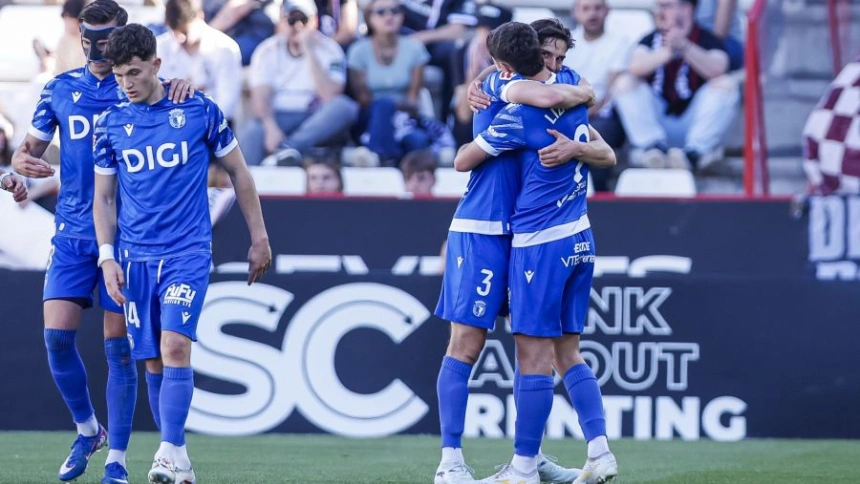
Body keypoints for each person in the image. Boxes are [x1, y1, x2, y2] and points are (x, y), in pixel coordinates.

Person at [10, 2, 193, 483]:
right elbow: (26, 153)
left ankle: (118, 460)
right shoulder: (60, 88)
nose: (97, 48)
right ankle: (88, 429)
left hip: (127, 234)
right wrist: (18, 168)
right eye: (89, 38)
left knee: (120, 349)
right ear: (80, 36)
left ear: (122, 36)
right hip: (73, 231)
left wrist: (185, 86)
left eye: (106, 38)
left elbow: (182, 111)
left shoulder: (142, 85)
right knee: (56, 338)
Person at [433, 21, 612, 484]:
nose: (553, 65)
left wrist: (575, 139)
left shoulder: (556, 88)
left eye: (560, 58)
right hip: (483, 228)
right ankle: (450, 462)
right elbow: (462, 160)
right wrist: (581, 92)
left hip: (528, 236)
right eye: (546, 56)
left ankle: (528, 459)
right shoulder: (505, 89)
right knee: (466, 343)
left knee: (535, 350)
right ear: (525, 57)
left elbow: (604, 150)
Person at [93, 23, 271, 484]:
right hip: (134, 257)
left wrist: (259, 237)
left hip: (187, 251)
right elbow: (104, 198)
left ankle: (168, 453)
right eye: (119, 75)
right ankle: (179, 459)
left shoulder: (197, 109)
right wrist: (107, 256)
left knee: (175, 344)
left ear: (157, 64)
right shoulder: (109, 124)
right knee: (153, 359)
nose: (127, 83)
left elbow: (239, 173)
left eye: (135, 72)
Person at [612, 0, 738, 170]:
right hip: (659, 122)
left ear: (687, 9)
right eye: (660, 6)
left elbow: (718, 68)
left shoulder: (706, 39)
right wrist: (667, 52)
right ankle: (652, 148)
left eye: (667, 6)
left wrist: (685, 47)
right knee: (625, 82)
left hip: (692, 122)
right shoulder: (651, 39)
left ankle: (694, 154)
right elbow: (635, 67)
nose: (660, 12)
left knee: (726, 85)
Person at [241, 0, 359, 166]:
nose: (297, 26)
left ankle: (287, 149)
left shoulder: (330, 48)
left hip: (315, 117)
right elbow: (260, 97)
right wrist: (270, 127)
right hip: (279, 116)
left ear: (315, 21)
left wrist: (309, 51)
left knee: (344, 107)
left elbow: (330, 95)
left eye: (303, 20)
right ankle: (249, 180)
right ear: (282, 21)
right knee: (252, 129)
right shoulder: (266, 50)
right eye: (291, 20)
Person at [348, 0, 432, 164]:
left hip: (404, 119)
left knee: (418, 141)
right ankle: (384, 156)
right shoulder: (358, 50)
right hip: (370, 121)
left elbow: (413, 101)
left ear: (402, 16)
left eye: (394, 11)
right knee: (383, 105)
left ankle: (382, 157)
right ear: (369, 18)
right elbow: (363, 100)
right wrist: (389, 105)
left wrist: (393, 106)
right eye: (381, 12)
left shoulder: (415, 48)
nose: (389, 16)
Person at [565, 0, 631, 190]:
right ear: (576, 12)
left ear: (607, 11)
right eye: (586, 8)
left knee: (594, 140)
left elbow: (610, 90)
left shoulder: (620, 42)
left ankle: (599, 197)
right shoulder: (565, 43)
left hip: (604, 115)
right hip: (567, 111)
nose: (592, 14)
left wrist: (582, 114)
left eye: (597, 8)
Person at [157, 0, 244, 122]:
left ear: (200, 16)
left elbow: (227, 103)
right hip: (171, 121)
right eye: (174, 32)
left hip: (214, 123)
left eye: (185, 32)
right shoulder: (160, 48)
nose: (180, 38)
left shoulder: (225, 48)